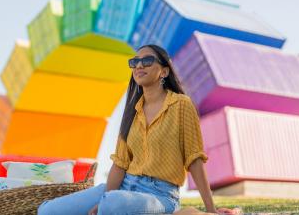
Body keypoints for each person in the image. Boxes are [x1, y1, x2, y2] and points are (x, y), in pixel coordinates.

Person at [38, 45, 236, 215]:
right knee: (46, 211)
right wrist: (104, 200)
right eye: (134, 62)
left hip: (160, 195)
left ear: (164, 72)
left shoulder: (181, 105)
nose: (139, 65)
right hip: (122, 187)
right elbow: (120, 164)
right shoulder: (132, 111)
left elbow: (194, 159)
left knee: (112, 204)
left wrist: (210, 209)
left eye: (147, 60)